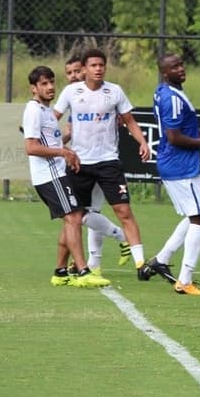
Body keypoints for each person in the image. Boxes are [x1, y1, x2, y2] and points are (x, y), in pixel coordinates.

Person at [53, 47, 151, 279]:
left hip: (108, 162)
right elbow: (52, 119)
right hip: (79, 163)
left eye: (101, 65)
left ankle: (141, 264)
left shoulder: (114, 91)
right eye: (93, 65)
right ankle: (79, 265)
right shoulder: (71, 92)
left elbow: (129, 120)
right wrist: (52, 145)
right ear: (84, 69)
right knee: (75, 216)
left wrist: (143, 142)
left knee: (124, 210)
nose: (98, 69)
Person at [139, 53, 200, 295]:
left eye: (182, 64)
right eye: (175, 67)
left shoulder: (164, 90)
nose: (181, 69)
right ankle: (184, 280)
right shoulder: (171, 98)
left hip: (176, 164)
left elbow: (176, 126)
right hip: (180, 165)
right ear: (165, 73)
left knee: (197, 213)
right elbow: (174, 136)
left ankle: (160, 260)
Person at [21, 65, 109, 288]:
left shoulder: (47, 111)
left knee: (74, 217)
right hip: (49, 175)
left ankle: (60, 272)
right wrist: (63, 152)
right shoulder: (33, 110)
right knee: (72, 218)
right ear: (34, 88)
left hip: (58, 172)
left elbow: (55, 142)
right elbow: (31, 147)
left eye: (51, 82)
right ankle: (82, 271)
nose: (50, 87)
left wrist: (71, 143)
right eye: (44, 84)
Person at [61, 53, 132, 271]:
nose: (73, 76)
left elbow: (122, 117)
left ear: (85, 70)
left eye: (76, 71)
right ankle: (93, 262)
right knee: (83, 213)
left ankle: (115, 244)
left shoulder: (106, 93)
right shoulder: (74, 97)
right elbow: (69, 132)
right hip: (81, 162)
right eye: (69, 73)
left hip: (102, 161)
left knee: (85, 212)